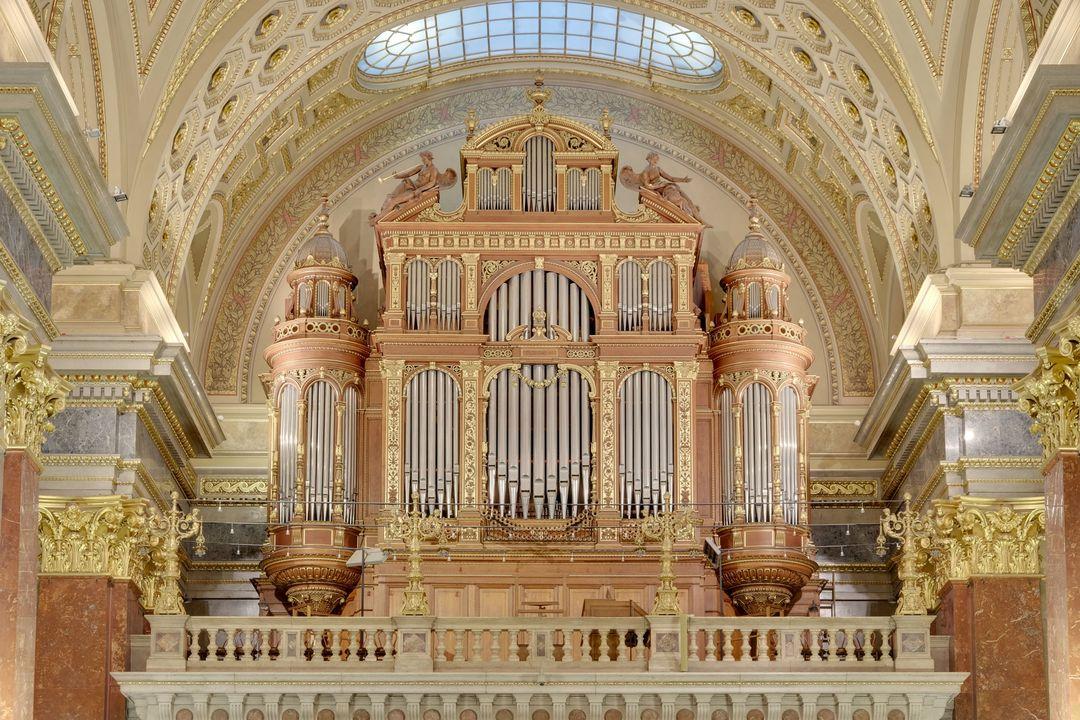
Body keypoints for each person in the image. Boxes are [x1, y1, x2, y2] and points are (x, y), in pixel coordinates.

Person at [620, 152, 702, 221]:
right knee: (682, 201)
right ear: (649, 160)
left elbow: (671, 178)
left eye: (657, 159)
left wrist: (683, 180)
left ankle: (697, 219)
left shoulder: (658, 169)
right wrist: (658, 186)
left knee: (688, 201)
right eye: (654, 159)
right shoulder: (645, 172)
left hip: (668, 186)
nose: (656, 160)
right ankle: (689, 217)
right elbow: (647, 186)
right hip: (664, 189)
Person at [378, 151, 457, 215]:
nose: (423, 160)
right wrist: (398, 176)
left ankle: (392, 200)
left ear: (429, 158)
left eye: (424, 158)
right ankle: (390, 200)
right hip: (414, 185)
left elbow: (432, 183)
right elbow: (409, 173)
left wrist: (420, 189)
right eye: (422, 158)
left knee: (405, 183)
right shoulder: (421, 167)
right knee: (405, 181)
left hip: (418, 188)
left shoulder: (434, 170)